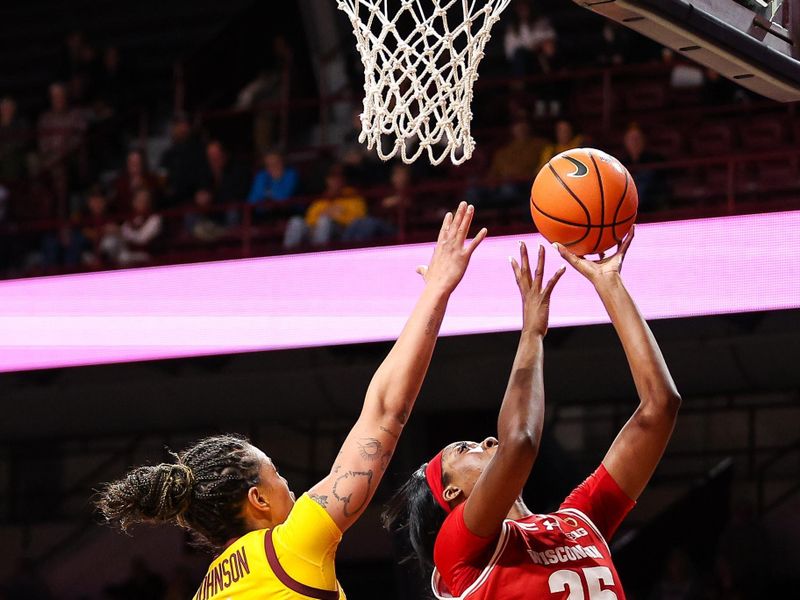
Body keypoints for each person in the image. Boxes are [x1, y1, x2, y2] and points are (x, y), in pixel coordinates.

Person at [97, 203, 488, 600]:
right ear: (259, 499)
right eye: (277, 475)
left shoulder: (204, 593)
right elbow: (386, 411)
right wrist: (438, 290)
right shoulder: (290, 545)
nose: (292, 488)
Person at [384, 227, 682, 600]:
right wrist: (532, 334)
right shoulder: (458, 549)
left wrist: (609, 284)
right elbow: (519, 443)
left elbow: (660, 407)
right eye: (464, 448)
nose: (486, 440)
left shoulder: (579, 521)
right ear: (451, 491)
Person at [469, 120, 548, 208]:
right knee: (473, 186)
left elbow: (537, 169)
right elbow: (494, 172)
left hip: (522, 184)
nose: (521, 129)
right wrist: (492, 181)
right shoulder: (503, 151)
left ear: (528, 127)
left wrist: (513, 175)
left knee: (508, 189)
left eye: (523, 125)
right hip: (500, 183)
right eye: (517, 126)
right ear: (512, 129)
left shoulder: (540, 145)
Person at [283, 165, 366, 249]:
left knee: (324, 220)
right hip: (317, 231)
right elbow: (309, 219)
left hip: (342, 231)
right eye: (332, 178)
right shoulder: (323, 198)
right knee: (296, 221)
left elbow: (359, 219)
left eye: (338, 177)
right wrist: (325, 214)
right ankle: (288, 254)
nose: (335, 181)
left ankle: (319, 253)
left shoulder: (352, 195)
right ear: (327, 180)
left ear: (343, 179)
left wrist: (338, 216)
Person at [100, 188, 163, 266]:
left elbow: (142, 239)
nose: (141, 202)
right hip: (128, 252)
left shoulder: (155, 218)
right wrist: (113, 231)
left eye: (144, 200)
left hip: (146, 254)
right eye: (138, 199)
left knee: (123, 257)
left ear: (150, 202)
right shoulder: (132, 218)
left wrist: (120, 231)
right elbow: (124, 235)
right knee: (109, 242)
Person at [159, 114, 209, 207]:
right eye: (178, 125)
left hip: (192, 198)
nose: (182, 128)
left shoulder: (198, 150)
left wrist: (202, 189)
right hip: (172, 199)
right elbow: (162, 175)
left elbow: (203, 172)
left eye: (184, 125)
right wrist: (164, 188)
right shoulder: (168, 154)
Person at [619, 124, 666, 212]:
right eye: (631, 139)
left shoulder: (654, 159)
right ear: (625, 142)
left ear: (643, 140)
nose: (635, 142)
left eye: (637, 139)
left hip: (649, 203)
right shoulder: (620, 163)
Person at [246, 150, 299, 220]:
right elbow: (252, 200)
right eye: (269, 164)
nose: (273, 167)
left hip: (288, 213)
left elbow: (283, 198)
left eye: (276, 163)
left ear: (282, 162)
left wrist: (276, 180)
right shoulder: (261, 175)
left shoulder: (291, 174)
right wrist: (269, 194)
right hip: (263, 214)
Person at [112, 149, 161, 213]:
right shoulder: (119, 183)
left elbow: (158, 202)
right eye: (132, 163)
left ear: (142, 164)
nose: (135, 166)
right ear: (127, 164)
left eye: (138, 163)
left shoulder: (151, 180)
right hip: (126, 218)